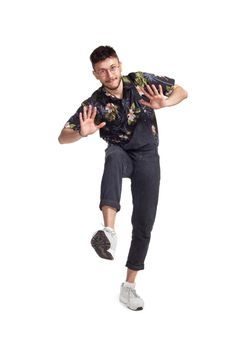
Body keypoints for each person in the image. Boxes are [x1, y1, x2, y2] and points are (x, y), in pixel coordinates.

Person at [58, 45, 187, 311]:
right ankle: (109, 231)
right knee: (113, 157)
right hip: (121, 151)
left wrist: (165, 102)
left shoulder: (139, 80)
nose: (110, 74)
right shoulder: (94, 103)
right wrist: (81, 133)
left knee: (144, 223)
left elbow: (182, 91)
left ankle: (128, 287)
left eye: (113, 67)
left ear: (120, 64)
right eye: (102, 71)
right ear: (95, 74)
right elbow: (62, 136)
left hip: (148, 154)